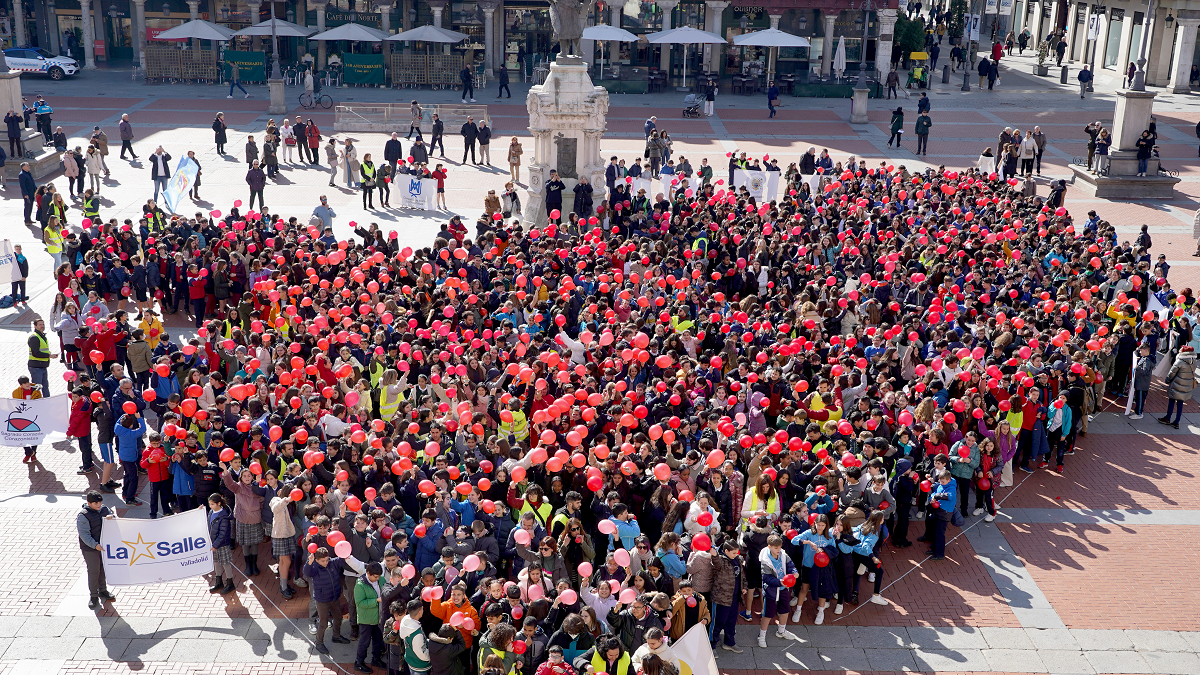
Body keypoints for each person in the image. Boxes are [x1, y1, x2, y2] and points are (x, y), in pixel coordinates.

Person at [77, 490, 117, 610]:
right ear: (89, 503)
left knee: (102, 569)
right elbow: (84, 535)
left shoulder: (104, 509)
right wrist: (95, 545)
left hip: (103, 546)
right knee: (94, 571)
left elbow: (113, 517)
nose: (98, 505)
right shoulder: (83, 516)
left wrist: (112, 517)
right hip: (90, 548)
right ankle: (93, 596)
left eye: (99, 502)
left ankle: (103, 590)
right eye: (95, 503)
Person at [1160, 346, 1197, 429]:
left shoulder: (1179, 361)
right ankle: (1177, 422)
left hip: (1176, 384)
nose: (1179, 350)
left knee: (1171, 401)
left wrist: (1167, 380)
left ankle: (1167, 418)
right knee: (1180, 404)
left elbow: (1171, 373)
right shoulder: (1194, 361)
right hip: (1186, 386)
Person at [27, 319, 55, 396]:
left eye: (43, 324)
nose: (42, 326)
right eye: (40, 324)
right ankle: (36, 402)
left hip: (42, 365)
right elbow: (35, 353)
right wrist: (49, 356)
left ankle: (47, 401)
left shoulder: (42, 336)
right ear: (35, 326)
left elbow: (43, 350)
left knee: (45, 386)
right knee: (37, 387)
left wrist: (49, 354)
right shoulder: (34, 337)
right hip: (36, 366)